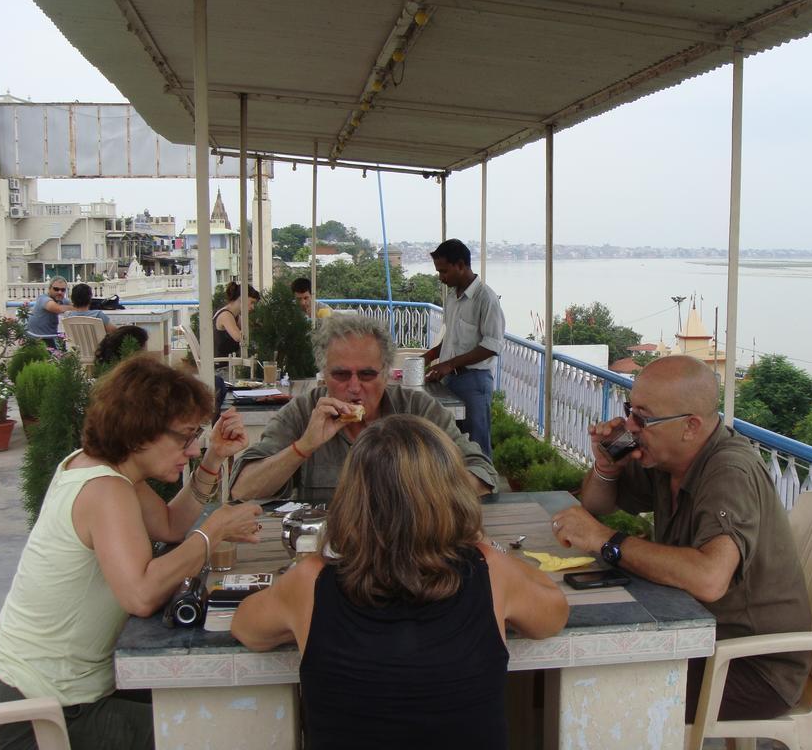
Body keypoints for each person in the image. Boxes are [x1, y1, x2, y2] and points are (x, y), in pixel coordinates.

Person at [231, 415, 568, 750]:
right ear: (451, 492)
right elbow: (553, 613)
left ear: (352, 498)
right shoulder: (492, 571)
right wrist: (485, 544)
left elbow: (246, 628)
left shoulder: (309, 581)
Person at [0, 356, 262, 750]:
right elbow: (141, 595)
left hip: (56, 695)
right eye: (185, 436)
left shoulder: (102, 470)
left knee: (205, 706)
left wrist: (214, 461)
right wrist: (211, 533)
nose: (193, 448)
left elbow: (169, 524)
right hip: (42, 718)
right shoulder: (105, 489)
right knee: (216, 732)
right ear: (140, 431)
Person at [549, 355, 812, 724]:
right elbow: (597, 504)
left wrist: (607, 540)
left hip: (748, 665)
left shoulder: (728, 472)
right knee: (569, 673)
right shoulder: (667, 458)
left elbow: (708, 577)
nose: (630, 426)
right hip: (694, 635)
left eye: (643, 417)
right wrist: (607, 465)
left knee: (593, 693)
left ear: (690, 426)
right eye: (629, 411)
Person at [230, 315, 498, 504]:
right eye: (341, 375)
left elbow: (481, 473)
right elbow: (243, 488)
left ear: (387, 374)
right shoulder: (304, 412)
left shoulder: (417, 409)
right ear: (324, 374)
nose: (355, 387)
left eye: (367, 375)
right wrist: (304, 446)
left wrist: (420, 491)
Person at [423, 239, 505, 460]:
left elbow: (492, 345)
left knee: (476, 445)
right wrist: (431, 355)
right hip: (451, 380)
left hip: (474, 382)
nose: (441, 277)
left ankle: (483, 490)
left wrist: (449, 364)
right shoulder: (452, 297)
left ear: (460, 265)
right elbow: (451, 338)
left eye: (444, 271)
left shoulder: (485, 298)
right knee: (452, 442)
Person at [213, 280, 261, 359]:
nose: (253, 307)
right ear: (241, 298)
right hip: (221, 368)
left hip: (230, 364)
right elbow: (240, 338)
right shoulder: (226, 315)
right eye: (252, 302)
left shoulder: (235, 316)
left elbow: (249, 330)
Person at [26, 275, 74, 348]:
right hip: (39, 339)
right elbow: (56, 308)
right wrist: (77, 308)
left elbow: (73, 305)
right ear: (49, 289)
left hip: (51, 336)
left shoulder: (62, 300)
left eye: (63, 290)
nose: (59, 292)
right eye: (56, 289)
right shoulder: (43, 299)